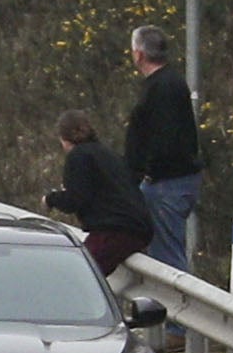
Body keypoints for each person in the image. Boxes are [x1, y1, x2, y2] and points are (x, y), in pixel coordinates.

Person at [123, 26, 204, 274]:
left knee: (167, 258)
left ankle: (174, 305)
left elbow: (165, 140)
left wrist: (147, 173)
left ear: (139, 54)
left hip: (166, 184)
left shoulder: (162, 88)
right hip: (168, 181)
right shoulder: (167, 83)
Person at [49, 110, 155, 275]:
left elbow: (75, 199)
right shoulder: (107, 154)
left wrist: (51, 199)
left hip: (115, 230)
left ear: (64, 138)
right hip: (140, 227)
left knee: (78, 275)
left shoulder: (78, 157)